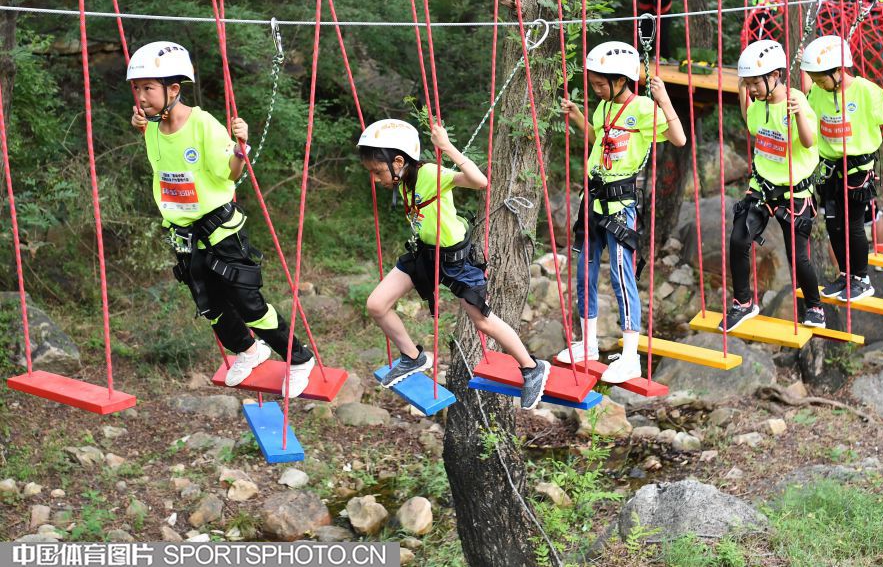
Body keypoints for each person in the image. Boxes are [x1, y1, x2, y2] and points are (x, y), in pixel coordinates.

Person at [128, 41, 316, 397]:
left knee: (249, 304)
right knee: (209, 305)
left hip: (220, 232)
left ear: (173, 90)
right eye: (137, 88)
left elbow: (229, 173)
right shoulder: (152, 127)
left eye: (148, 88)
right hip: (184, 235)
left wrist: (241, 150)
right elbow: (159, 147)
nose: (140, 97)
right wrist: (141, 123)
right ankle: (249, 350)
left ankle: (299, 357)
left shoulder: (203, 125)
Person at [357, 119, 551, 409]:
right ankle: (413, 357)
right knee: (376, 305)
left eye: (378, 171)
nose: (375, 179)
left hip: (455, 260)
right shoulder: (403, 181)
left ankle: (531, 368)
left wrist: (447, 147)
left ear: (398, 161)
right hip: (425, 254)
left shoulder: (429, 173)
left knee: (482, 320)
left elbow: (479, 182)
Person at [557, 41, 687, 383]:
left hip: (619, 207)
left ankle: (631, 356)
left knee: (620, 274)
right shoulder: (603, 107)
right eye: (594, 83)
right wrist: (578, 116)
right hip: (593, 201)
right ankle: (588, 343)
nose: (596, 89)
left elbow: (679, 139)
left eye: (601, 83)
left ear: (621, 80)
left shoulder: (642, 107)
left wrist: (664, 100)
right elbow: (599, 139)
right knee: (585, 272)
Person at [728, 40, 825, 331]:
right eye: (747, 84)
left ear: (774, 76)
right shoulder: (759, 105)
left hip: (794, 192)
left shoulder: (796, 100)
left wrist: (798, 115)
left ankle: (815, 307)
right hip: (762, 187)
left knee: (798, 257)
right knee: (739, 239)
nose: (751, 90)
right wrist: (741, 90)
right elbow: (751, 123)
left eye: (754, 83)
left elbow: (809, 142)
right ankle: (743, 303)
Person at [802, 35, 883, 302]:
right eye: (815, 80)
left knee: (854, 225)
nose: (818, 85)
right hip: (829, 170)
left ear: (838, 70)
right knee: (833, 225)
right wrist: (806, 65)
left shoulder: (865, 91)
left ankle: (862, 279)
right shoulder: (819, 91)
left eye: (821, 79)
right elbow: (808, 98)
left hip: (857, 171)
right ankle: (846, 275)